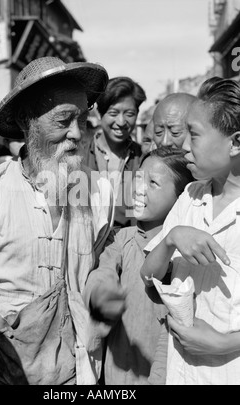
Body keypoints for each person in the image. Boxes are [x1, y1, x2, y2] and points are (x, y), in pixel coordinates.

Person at [0, 56, 114, 385]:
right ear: (27, 120)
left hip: (77, 373)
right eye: (63, 120)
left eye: (82, 119)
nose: (77, 133)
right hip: (3, 373)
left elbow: (100, 268)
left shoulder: (100, 192)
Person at [140, 77, 240, 385]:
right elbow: (148, 275)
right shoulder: (191, 196)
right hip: (180, 370)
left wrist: (226, 343)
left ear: (235, 142)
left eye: (193, 135)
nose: (182, 146)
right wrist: (171, 239)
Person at [83, 146, 194, 385]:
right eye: (138, 178)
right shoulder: (121, 238)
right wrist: (102, 293)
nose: (139, 189)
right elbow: (102, 272)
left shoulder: (184, 252)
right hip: (117, 376)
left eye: (152, 183)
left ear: (181, 197)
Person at [84, 76, 146, 229]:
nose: (121, 122)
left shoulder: (142, 158)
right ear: (101, 113)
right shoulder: (79, 154)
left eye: (129, 114)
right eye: (113, 113)